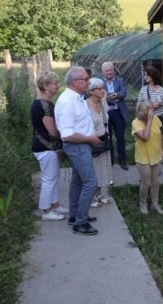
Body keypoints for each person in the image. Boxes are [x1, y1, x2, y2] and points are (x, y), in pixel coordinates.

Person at [55, 67, 102, 236]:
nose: (89, 82)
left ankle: (75, 215)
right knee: (91, 182)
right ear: (75, 82)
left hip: (82, 144)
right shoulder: (67, 101)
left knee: (78, 181)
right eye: (85, 79)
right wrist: (90, 139)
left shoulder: (77, 97)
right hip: (77, 145)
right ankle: (80, 222)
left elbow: (79, 123)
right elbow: (67, 135)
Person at [31, 71, 68, 221]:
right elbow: (52, 131)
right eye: (55, 83)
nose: (58, 86)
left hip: (43, 146)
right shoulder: (45, 105)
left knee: (53, 176)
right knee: (49, 179)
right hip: (45, 147)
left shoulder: (39, 102)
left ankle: (55, 205)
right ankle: (46, 211)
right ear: (46, 86)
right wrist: (66, 135)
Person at [132, 101, 163, 215]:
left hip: (156, 155)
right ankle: (142, 204)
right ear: (143, 111)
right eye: (150, 110)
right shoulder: (136, 123)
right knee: (146, 183)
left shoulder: (156, 119)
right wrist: (150, 121)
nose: (153, 112)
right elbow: (145, 137)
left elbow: (161, 136)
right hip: (143, 158)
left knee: (156, 182)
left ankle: (155, 204)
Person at [85, 78, 113, 207]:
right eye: (100, 88)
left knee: (103, 168)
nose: (103, 91)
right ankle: (91, 198)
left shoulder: (103, 103)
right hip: (91, 142)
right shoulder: (85, 105)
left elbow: (106, 121)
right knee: (93, 170)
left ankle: (100, 195)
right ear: (91, 91)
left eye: (103, 88)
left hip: (104, 140)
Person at [101, 62, 130, 170]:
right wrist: (106, 98)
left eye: (111, 70)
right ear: (103, 72)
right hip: (106, 113)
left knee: (120, 137)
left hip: (118, 112)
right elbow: (97, 94)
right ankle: (110, 160)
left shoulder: (119, 80)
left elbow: (124, 92)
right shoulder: (100, 81)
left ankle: (122, 160)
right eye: (107, 70)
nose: (109, 72)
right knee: (108, 138)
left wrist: (117, 94)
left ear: (114, 70)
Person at [137, 66, 163, 132]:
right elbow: (139, 105)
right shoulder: (143, 89)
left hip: (158, 120)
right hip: (145, 119)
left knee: (158, 139)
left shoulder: (161, 90)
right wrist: (152, 104)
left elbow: (156, 105)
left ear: (152, 75)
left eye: (146, 75)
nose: (145, 77)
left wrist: (145, 104)